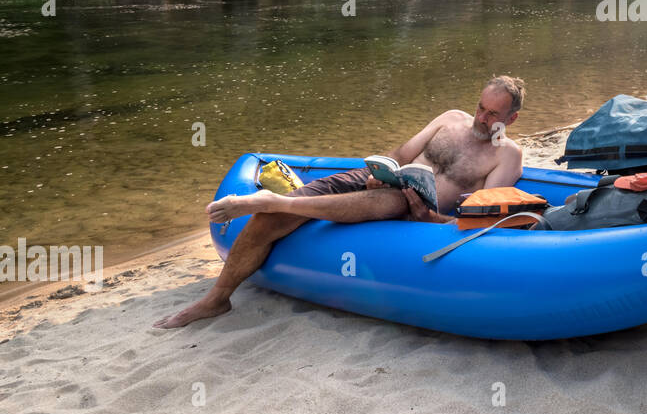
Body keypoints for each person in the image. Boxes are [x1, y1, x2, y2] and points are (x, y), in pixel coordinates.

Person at [154, 76, 526, 328]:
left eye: (493, 114)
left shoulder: (506, 155)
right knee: (271, 220)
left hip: (411, 209)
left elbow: (477, 217)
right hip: (384, 182)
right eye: (480, 107)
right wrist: (380, 170)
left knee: (391, 202)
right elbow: (401, 153)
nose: (482, 117)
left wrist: (426, 215)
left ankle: (272, 200)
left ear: (511, 117)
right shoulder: (450, 119)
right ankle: (218, 298)